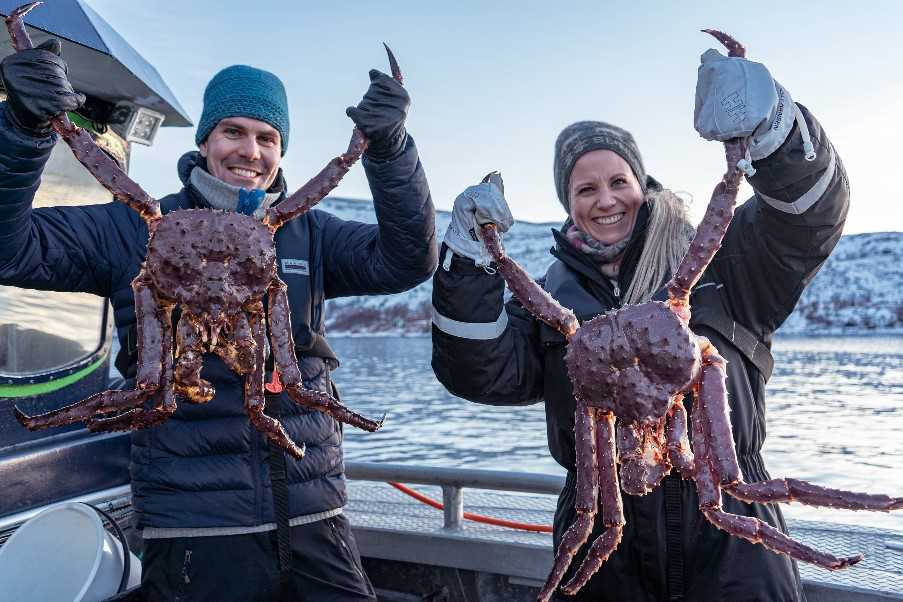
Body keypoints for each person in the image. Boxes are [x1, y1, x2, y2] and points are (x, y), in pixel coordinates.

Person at [0, 39, 437, 601]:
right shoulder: (132, 228)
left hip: (312, 510)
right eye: (233, 131)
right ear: (205, 139)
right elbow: (11, 248)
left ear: (281, 151)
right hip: (191, 522)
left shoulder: (310, 232)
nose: (249, 150)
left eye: (267, 137)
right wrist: (24, 129)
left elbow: (408, 259)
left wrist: (389, 149)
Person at [431, 45, 847, 601]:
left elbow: (810, 218)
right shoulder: (550, 304)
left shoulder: (725, 265)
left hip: (734, 540)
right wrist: (469, 261)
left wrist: (774, 131)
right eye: (585, 188)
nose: (606, 199)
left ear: (642, 183)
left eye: (618, 181)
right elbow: (476, 372)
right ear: (568, 203)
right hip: (606, 537)